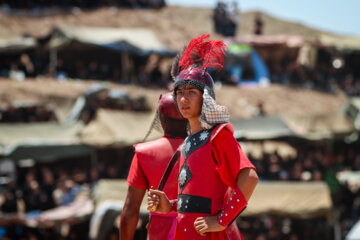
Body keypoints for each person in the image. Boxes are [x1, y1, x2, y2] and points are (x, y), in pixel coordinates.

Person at [147, 34, 259, 239]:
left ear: (205, 97)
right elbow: (197, 199)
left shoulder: (219, 136)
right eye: (179, 92)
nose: (183, 98)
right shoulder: (187, 143)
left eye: (191, 92)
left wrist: (223, 220)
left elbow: (249, 178)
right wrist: (170, 206)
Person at [120, 92, 188, 240]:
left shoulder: (144, 153)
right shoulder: (204, 149)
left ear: (161, 119)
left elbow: (130, 211)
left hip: (160, 232)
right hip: (197, 230)